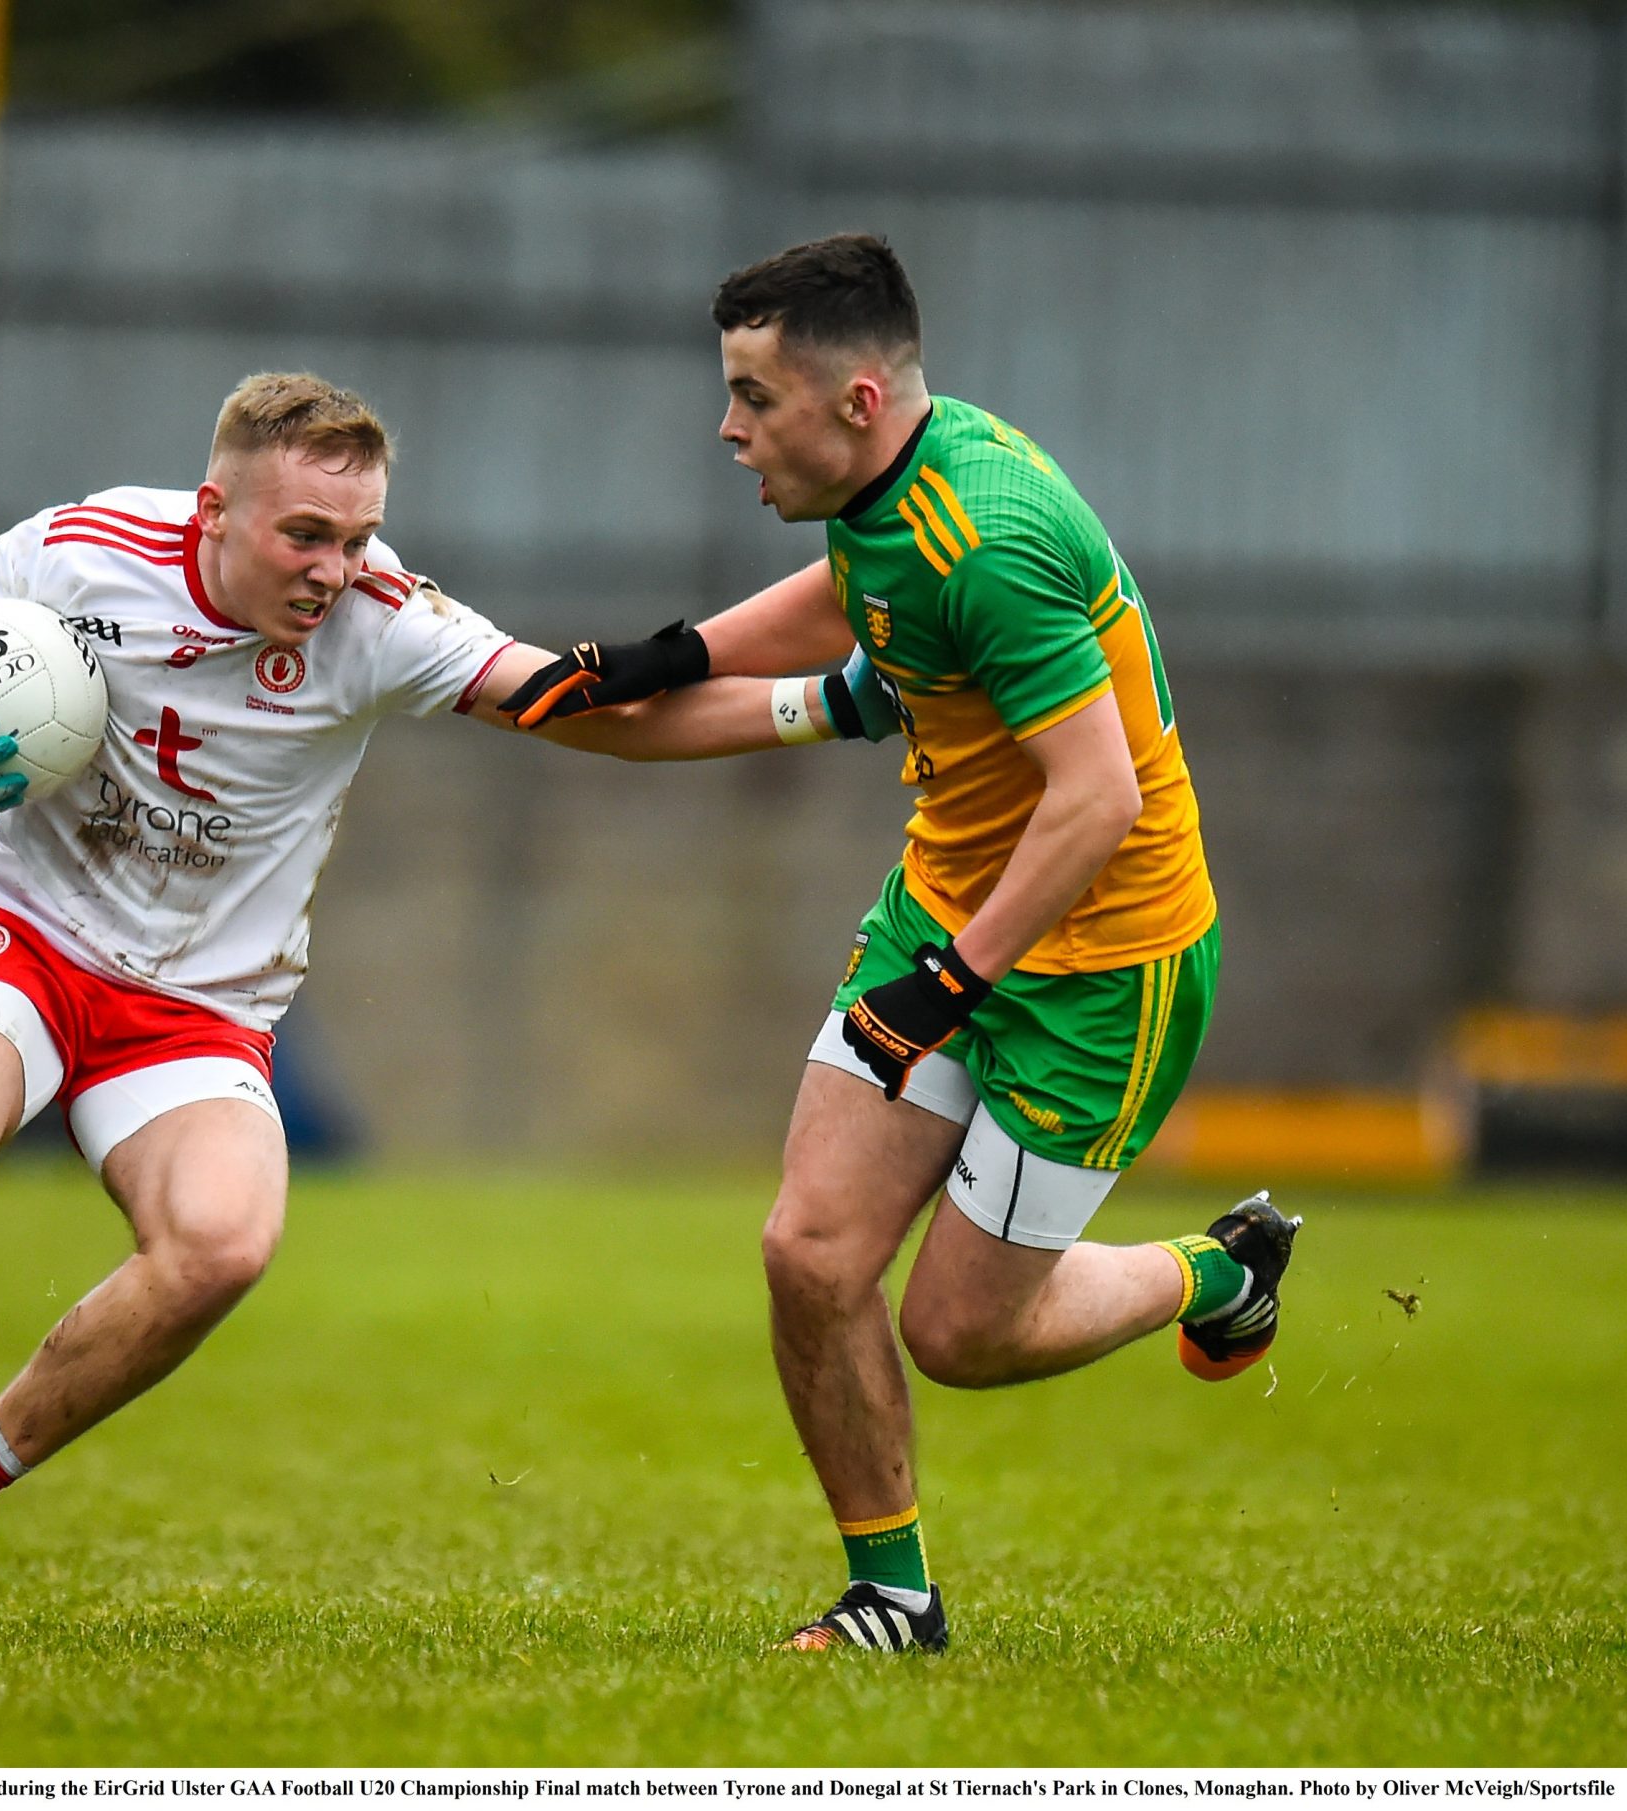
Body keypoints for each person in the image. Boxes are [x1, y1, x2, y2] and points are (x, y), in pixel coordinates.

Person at [0, 370, 884, 1636]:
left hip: (199, 1007)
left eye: (358, 533)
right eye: (303, 535)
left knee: (221, 1241)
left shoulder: (386, 620)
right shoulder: (86, 551)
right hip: (26, 930)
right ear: (214, 509)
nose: (336, 566)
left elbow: (588, 709)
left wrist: (826, 703)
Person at [502, 234, 1291, 1655]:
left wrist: (944, 987)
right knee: (810, 1250)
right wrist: (671, 655)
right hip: (950, 909)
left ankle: (1217, 1271)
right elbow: (859, 600)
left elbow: (1099, 797)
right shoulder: (895, 487)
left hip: (1101, 967)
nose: (728, 428)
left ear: (857, 400)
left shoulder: (985, 535)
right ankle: (896, 1596)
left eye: (753, 396)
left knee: (964, 1334)